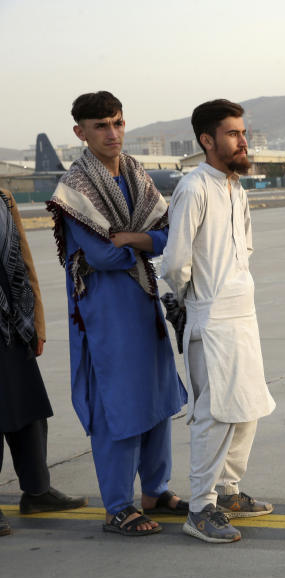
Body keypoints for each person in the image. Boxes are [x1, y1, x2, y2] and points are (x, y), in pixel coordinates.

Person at [46, 91, 188, 537]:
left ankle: (154, 491)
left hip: (142, 302)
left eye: (118, 123)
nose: (113, 133)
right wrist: (138, 242)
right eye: (101, 126)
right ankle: (118, 506)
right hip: (105, 312)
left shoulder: (136, 174)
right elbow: (102, 257)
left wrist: (132, 239)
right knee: (119, 406)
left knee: (157, 401)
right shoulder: (75, 189)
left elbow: (169, 235)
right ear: (80, 133)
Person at [162, 99, 276, 544]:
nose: (242, 140)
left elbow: (244, 249)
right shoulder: (194, 188)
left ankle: (228, 491)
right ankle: (201, 507)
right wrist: (195, 298)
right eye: (232, 133)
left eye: (243, 132)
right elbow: (175, 261)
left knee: (247, 408)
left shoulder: (236, 188)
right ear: (207, 140)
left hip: (243, 314)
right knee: (214, 415)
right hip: (210, 318)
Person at [1, 189, 87, 536]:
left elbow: (22, 260)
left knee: (29, 412)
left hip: (10, 322)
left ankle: (37, 491)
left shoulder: (3, 198)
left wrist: (34, 320)